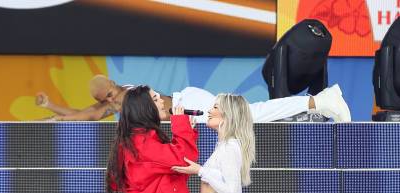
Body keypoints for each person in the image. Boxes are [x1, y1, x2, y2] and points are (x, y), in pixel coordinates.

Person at [36, 74, 351, 122]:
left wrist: (56, 114)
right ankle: (318, 101)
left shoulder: (133, 96)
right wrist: (52, 109)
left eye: (101, 100)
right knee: (249, 114)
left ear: (106, 94)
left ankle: (319, 101)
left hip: (191, 105)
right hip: (189, 111)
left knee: (248, 114)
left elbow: (85, 115)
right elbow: (83, 115)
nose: (102, 105)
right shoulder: (115, 102)